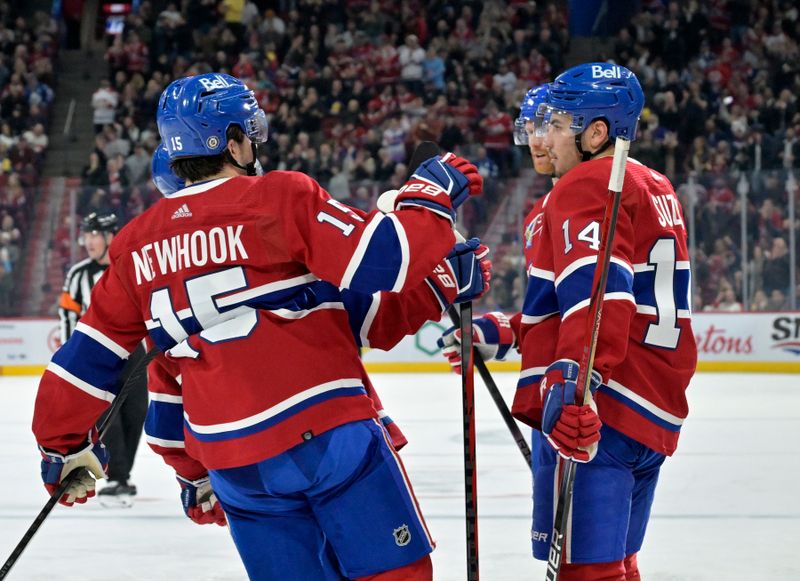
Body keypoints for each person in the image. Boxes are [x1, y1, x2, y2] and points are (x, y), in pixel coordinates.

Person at [33, 72, 486, 580]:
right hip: (327, 435)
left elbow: (88, 358)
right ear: (230, 141)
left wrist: (61, 445)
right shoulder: (277, 198)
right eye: (249, 130)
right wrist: (432, 194)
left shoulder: (134, 243)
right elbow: (387, 261)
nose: (256, 141)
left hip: (234, 464)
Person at [145, 143, 491, 530]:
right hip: (332, 435)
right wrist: (441, 280)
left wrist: (193, 477)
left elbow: (165, 415)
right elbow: (373, 319)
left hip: (239, 462)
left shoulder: (159, 294)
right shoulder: (278, 232)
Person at [513, 63, 697, 580]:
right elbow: (611, 292)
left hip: (604, 405)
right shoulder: (655, 181)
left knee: (587, 573)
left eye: (557, 122)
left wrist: (576, 375)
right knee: (620, 564)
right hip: (652, 406)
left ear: (596, 132)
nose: (544, 135)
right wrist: (507, 332)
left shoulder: (586, 183)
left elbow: (602, 289)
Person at [437, 84, 554, 376]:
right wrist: (504, 332)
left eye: (542, 129)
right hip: (550, 392)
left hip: (593, 399)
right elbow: (556, 310)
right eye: (527, 131)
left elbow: (594, 316)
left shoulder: (594, 199)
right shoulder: (543, 209)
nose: (533, 143)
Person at [56, 212, 148, 507]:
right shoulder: (78, 274)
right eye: (86, 234)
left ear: (111, 236)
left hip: (134, 354)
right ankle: (118, 476)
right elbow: (68, 315)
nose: (89, 241)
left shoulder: (131, 268)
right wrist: (75, 357)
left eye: (95, 234)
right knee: (108, 417)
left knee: (135, 413)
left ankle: (123, 475)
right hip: (96, 354)